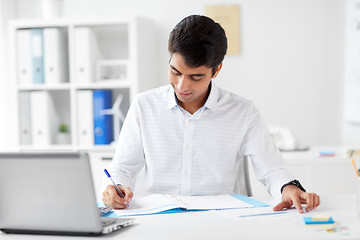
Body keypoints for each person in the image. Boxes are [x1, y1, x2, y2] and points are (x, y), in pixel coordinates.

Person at [102, 15, 320, 213]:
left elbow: (272, 170)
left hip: (221, 220)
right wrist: (117, 187)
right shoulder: (144, 105)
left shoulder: (243, 112)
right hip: (159, 218)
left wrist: (288, 187)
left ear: (216, 70)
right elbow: (123, 167)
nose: (182, 85)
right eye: (175, 72)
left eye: (195, 77)